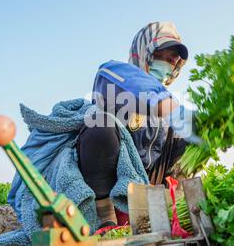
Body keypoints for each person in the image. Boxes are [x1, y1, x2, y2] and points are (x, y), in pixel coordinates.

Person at [76, 21, 195, 229]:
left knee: (186, 133)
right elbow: (135, 85)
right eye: (164, 59)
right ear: (146, 53)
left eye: (172, 64)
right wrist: (166, 106)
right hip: (107, 178)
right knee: (100, 124)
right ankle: (105, 213)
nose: (167, 68)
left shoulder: (167, 108)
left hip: (145, 184)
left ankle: (163, 209)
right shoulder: (114, 74)